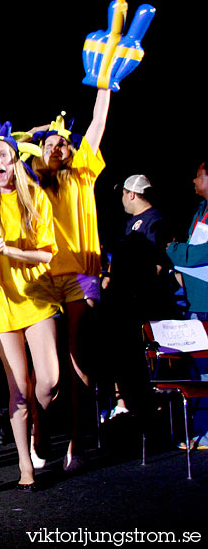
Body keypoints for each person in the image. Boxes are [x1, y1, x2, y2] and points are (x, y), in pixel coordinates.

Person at [0, 121, 59, 490]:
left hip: (35, 296)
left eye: (2, 154)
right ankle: (24, 467)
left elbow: (47, 253)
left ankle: (42, 426)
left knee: (48, 381)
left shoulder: (35, 197)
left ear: (15, 159)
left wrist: (10, 249)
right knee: (19, 387)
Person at [29, 93, 110, 470]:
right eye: (49, 144)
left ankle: (76, 443)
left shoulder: (83, 173)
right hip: (41, 278)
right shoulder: (29, 183)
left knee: (79, 357)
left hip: (80, 273)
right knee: (44, 370)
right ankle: (38, 429)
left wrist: (104, 85)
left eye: (63, 143)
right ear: (39, 151)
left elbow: (96, 124)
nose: (57, 147)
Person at [101, 174, 174, 420]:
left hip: (142, 306)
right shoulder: (129, 223)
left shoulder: (156, 222)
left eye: (123, 193)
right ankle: (124, 402)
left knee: (140, 361)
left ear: (131, 194)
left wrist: (133, 284)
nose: (122, 199)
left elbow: (158, 265)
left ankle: (150, 407)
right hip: (123, 303)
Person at [166, 160, 208, 449]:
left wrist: (174, 250)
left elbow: (197, 254)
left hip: (206, 303)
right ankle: (203, 430)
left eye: (197, 176)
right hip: (195, 302)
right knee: (199, 371)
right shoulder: (200, 211)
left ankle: (206, 433)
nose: (193, 181)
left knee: (206, 371)